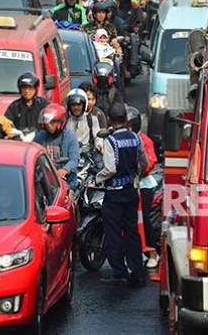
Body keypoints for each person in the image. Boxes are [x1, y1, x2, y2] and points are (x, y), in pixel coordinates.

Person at [96, 102, 148, 287]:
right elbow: (144, 161)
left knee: (113, 234)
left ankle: (119, 273)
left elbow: (110, 168)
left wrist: (97, 178)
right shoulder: (135, 137)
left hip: (114, 195)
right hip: (131, 192)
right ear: (126, 119)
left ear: (110, 120)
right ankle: (137, 271)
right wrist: (136, 176)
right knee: (132, 232)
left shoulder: (110, 141)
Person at [128, 105, 160, 269]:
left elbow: (151, 160)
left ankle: (153, 252)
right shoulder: (123, 139)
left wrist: (138, 171)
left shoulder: (144, 140)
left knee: (144, 219)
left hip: (143, 185)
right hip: (129, 184)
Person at [34, 104, 80, 189]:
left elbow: (75, 159)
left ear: (61, 122)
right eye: (47, 122)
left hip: (66, 181)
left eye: (52, 122)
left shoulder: (70, 137)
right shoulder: (41, 136)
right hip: (45, 180)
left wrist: (65, 170)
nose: (49, 125)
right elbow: (33, 153)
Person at [66, 88, 102, 158]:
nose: (76, 108)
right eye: (73, 105)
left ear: (84, 105)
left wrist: (99, 145)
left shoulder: (91, 119)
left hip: (87, 155)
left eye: (79, 105)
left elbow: (98, 136)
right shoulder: (65, 120)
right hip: (68, 155)